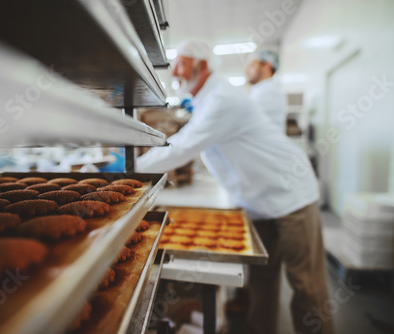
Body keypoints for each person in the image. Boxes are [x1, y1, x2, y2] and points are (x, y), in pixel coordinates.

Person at [137, 39, 334, 334]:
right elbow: (182, 142)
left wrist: (129, 169)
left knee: (307, 287)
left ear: (202, 66)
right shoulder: (206, 100)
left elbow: (182, 149)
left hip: (291, 196)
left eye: (181, 62)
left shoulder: (222, 99)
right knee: (261, 286)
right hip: (258, 202)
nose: (174, 69)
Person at [245, 50, 287, 131]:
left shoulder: (268, 91)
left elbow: (245, 119)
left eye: (252, 65)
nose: (247, 71)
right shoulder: (262, 89)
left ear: (267, 66)